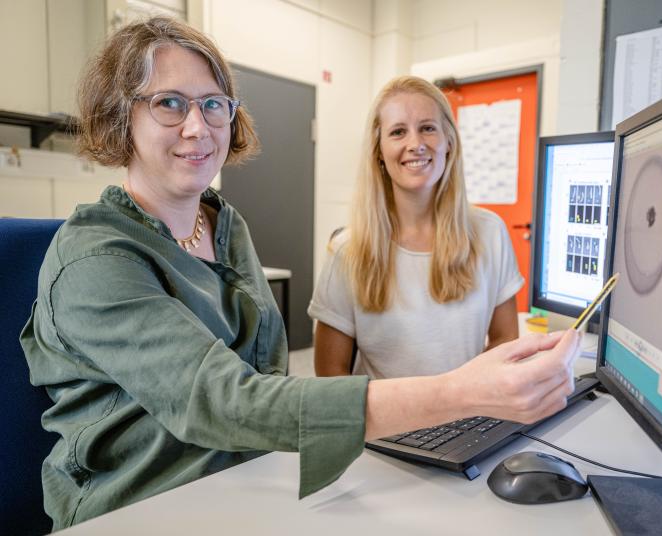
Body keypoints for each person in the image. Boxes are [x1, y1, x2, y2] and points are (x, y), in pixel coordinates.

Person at [20, 17, 580, 530]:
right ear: (121, 116)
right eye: (169, 103)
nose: (198, 125)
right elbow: (226, 401)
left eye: (215, 104)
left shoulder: (225, 227)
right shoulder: (96, 259)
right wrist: (458, 394)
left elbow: (270, 386)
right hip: (142, 505)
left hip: (252, 481)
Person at [308, 76, 522, 379]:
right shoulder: (348, 250)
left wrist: (464, 399)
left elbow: (505, 341)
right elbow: (331, 374)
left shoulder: (490, 233)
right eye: (398, 132)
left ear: (449, 141)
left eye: (427, 128)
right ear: (379, 151)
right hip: (384, 425)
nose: (416, 144)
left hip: (468, 419)